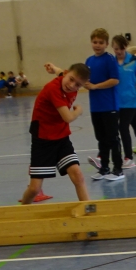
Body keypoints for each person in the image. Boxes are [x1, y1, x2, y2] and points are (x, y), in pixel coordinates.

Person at [47, 28, 123, 181]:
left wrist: (95, 86)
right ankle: (104, 168)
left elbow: (115, 80)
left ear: (106, 44)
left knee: (112, 138)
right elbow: (80, 80)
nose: (97, 45)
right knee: (101, 138)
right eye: (95, 42)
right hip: (96, 107)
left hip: (109, 106)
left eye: (101, 42)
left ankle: (118, 169)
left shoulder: (109, 59)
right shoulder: (89, 61)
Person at [20, 64, 90, 204]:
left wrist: (54, 68)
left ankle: (89, 209)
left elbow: (60, 72)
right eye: (71, 79)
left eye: (78, 85)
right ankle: (22, 211)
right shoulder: (53, 89)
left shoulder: (65, 78)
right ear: (67, 73)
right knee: (34, 189)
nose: (72, 85)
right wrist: (78, 111)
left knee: (78, 176)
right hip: (43, 139)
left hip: (61, 138)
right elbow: (68, 117)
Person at [111, 34, 136, 170]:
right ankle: (115, 157)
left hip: (130, 101)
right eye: (116, 49)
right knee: (113, 129)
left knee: (123, 127)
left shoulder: (133, 61)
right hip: (115, 101)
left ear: (125, 47)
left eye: (121, 48)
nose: (118, 51)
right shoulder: (111, 62)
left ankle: (129, 158)